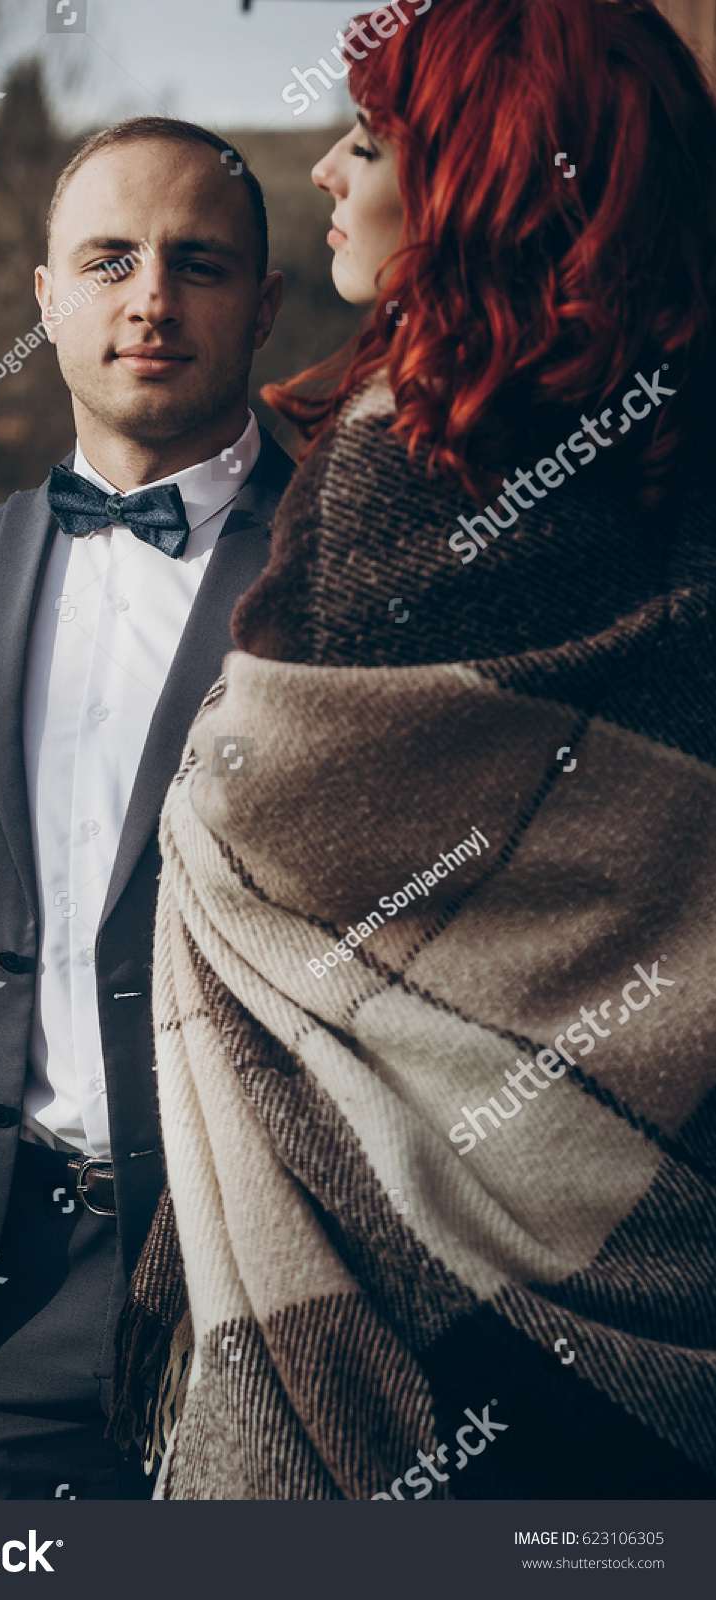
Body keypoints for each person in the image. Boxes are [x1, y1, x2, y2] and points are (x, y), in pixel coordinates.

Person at [114, 0, 716, 1500]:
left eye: (368, 142)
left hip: (394, 1293)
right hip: (665, 1224)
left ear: (481, 181)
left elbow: (248, 837)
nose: (325, 170)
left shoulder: (394, 471)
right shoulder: (682, 460)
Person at [0, 115, 288, 1500]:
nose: (149, 298)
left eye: (196, 263)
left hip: (258, 1291)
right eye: (108, 260)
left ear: (264, 304)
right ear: (44, 300)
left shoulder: (342, 560)